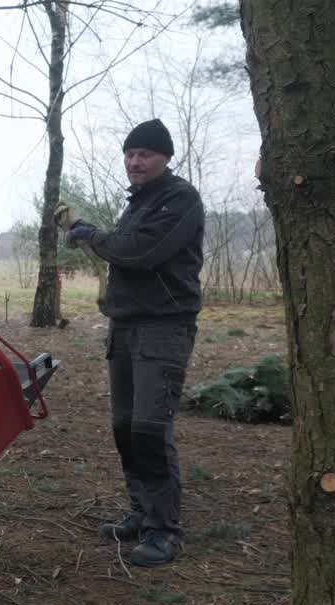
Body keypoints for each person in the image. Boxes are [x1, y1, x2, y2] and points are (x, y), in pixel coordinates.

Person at [61, 118, 204, 568]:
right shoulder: (139, 202)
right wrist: (94, 235)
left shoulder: (179, 199)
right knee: (125, 427)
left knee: (149, 428)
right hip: (124, 327)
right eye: (130, 154)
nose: (135, 162)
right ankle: (141, 511)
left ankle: (164, 530)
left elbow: (139, 251)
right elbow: (123, 245)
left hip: (164, 328)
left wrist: (92, 237)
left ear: (165, 158)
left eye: (145, 154)